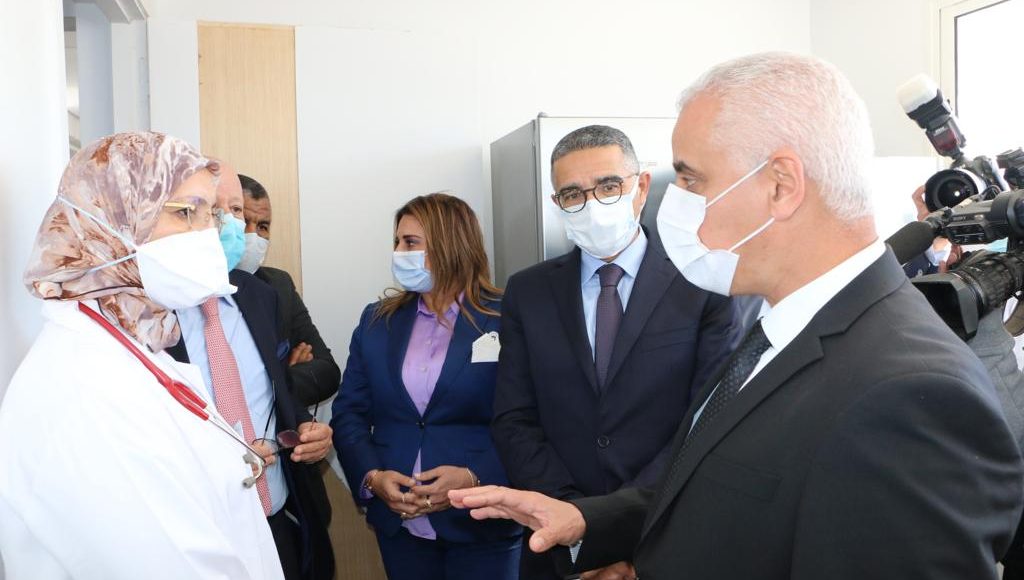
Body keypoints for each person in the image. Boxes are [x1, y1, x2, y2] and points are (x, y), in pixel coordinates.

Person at [451, 52, 1024, 580]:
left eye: (691, 179)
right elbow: (722, 488)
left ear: (780, 185)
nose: (675, 203)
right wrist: (589, 523)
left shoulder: (909, 393)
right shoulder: (782, 329)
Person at [0, 132, 284, 578]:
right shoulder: (84, 390)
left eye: (209, 214)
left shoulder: (135, 342)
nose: (210, 234)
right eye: (186, 212)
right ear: (109, 222)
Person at [490, 124, 741, 578]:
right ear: (558, 204)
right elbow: (514, 419)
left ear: (641, 188)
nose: (592, 205)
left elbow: (706, 422)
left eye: (608, 187)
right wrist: (575, 524)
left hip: (664, 538)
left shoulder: (702, 283)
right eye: (573, 194)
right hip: (557, 545)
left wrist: (612, 528)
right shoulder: (528, 292)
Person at [331, 193, 522, 580]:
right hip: (401, 526)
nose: (399, 253)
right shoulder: (377, 321)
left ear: (450, 244)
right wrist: (373, 478)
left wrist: (474, 476)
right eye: (397, 242)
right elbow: (349, 413)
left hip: (482, 520)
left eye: (410, 243)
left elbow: (530, 419)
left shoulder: (508, 315)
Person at [166, 163, 335, 580]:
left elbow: (272, 396)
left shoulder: (262, 296)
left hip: (278, 520)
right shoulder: (150, 313)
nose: (230, 223)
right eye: (213, 209)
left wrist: (303, 427)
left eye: (236, 210)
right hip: (201, 535)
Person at [237, 173, 341, 407]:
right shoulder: (192, 294)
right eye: (243, 222)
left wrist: (279, 382)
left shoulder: (279, 285)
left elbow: (328, 372)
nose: (253, 235)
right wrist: (280, 372)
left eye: (263, 226)